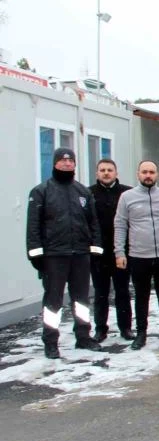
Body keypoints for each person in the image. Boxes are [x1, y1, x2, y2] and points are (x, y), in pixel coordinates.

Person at [26, 147, 104, 359]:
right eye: (63, 160)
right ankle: (51, 342)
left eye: (71, 161)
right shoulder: (41, 192)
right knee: (53, 302)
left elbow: (93, 223)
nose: (67, 163)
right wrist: (36, 255)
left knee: (81, 300)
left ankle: (83, 337)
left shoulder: (83, 192)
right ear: (55, 163)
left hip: (80, 255)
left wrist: (95, 250)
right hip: (54, 256)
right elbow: (33, 227)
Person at [115, 160, 159, 349]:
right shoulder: (127, 197)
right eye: (144, 172)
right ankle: (141, 333)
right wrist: (119, 252)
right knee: (141, 296)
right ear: (138, 174)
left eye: (152, 172)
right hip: (139, 255)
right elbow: (120, 225)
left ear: (157, 175)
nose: (148, 175)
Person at [89, 158, 134, 342]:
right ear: (97, 173)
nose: (106, 173)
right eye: (102, 170)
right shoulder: (89, 194)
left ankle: (126, 328)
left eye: (109, 170)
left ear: (116, 173)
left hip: (122, 252)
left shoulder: (127, 193)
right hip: (98, 253)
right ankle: (100, 329)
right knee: (100, 293)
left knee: (123, 291)